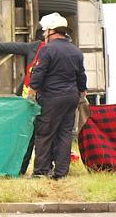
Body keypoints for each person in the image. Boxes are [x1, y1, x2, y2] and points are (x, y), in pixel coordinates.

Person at [29, 13, 87, 180]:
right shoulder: (75, 50)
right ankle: (61, 173)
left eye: (45, 31)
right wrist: (82, 92)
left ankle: (41, 171)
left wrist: (32, 92)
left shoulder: (47, 49)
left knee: (45, 133)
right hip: (71, 97)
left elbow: (39, 73)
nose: (44, 34)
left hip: (52, 97)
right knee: (64, 133)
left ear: (51, 31)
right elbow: (81, 75)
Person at [0, 29, 47, 175]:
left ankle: (43, 168)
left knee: (42, 136)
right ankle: (21, 169)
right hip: (29, 99)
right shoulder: (34, 47)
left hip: (47, 99)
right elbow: (12, 47)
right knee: (26, 136)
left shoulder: (53, 50)